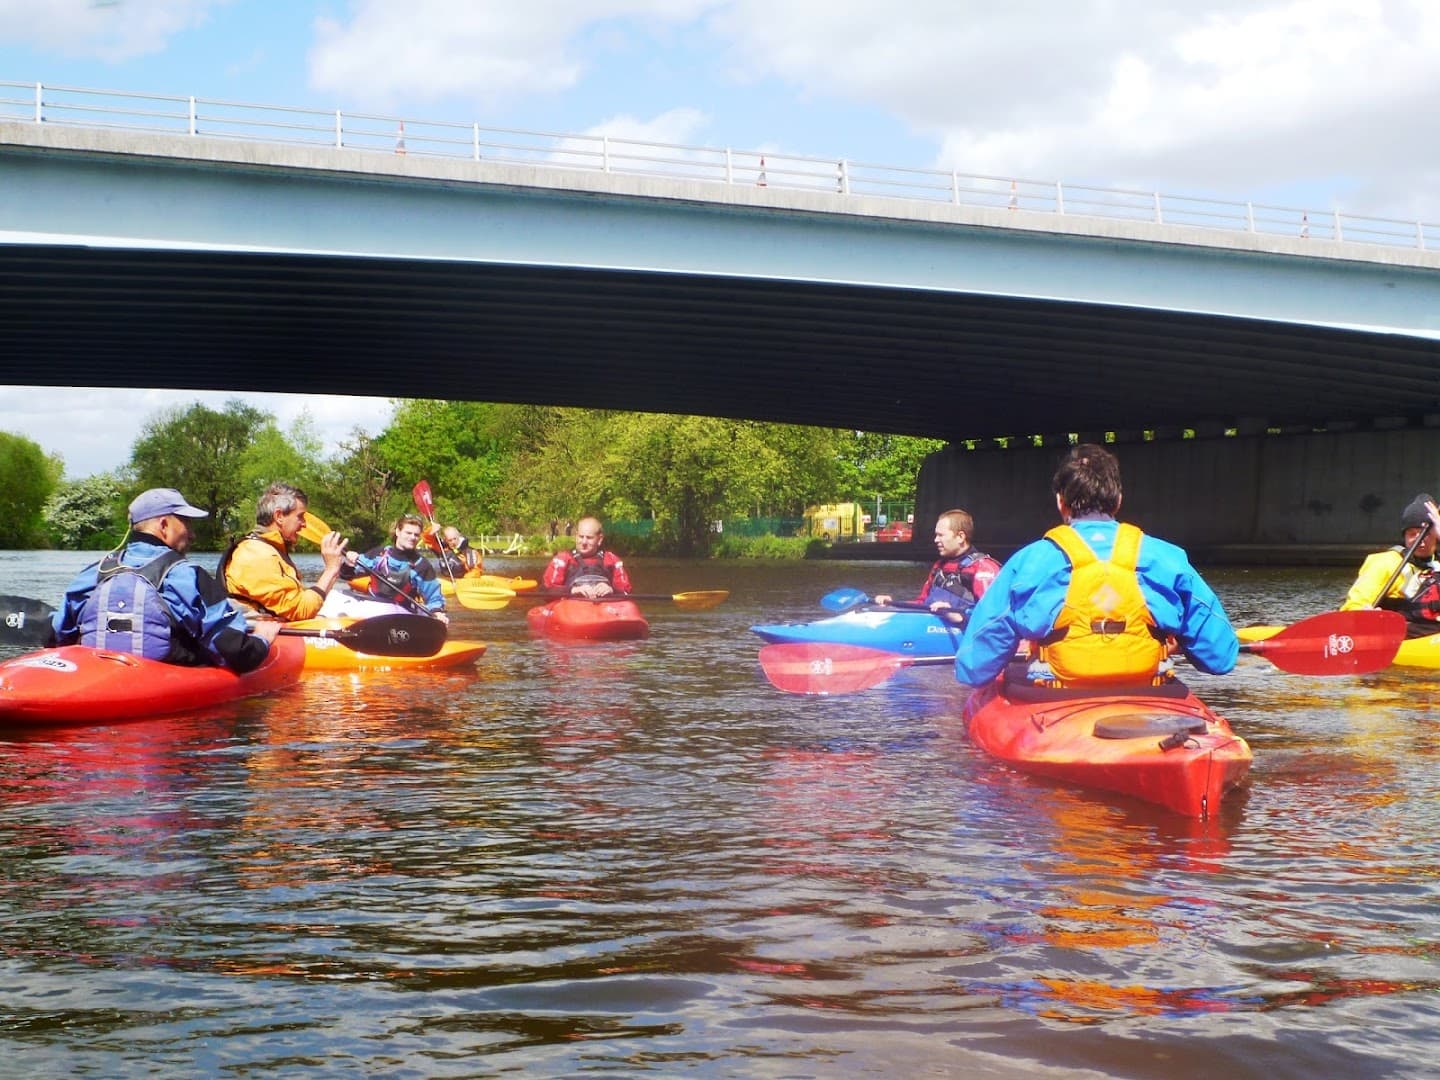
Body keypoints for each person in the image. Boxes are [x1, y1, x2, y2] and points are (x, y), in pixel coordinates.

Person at [954, 443, 1238, 688]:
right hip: (1149, 695)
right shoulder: (1170, 558)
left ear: (1060, 502)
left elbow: (974, 669)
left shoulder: (1027, 562)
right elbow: (1219, 658)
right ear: (1118, 501)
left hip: (1052, 697)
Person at [51, 487, 279, 671]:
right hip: (165, 681)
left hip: (97, 676)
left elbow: (57, 635)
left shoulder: (94, 572)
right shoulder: (190, 576)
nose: (192, 534)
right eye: (186, 523)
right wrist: (261, 640)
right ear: (163, 525)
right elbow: (236, 652)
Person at [222, 482, 350, 621]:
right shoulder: (256, 555)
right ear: (279, 516)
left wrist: (335, 569)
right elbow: (300, 612)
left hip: (279, 623)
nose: (304, 524)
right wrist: (330, 570)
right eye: (300, 516)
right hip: (260, 634)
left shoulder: (270, 549)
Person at [873, 508, 1001, 621]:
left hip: (966, 638)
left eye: (941, 535)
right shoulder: (939, 566)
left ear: (960, 537)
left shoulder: (983, 568)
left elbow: (995, 616)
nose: (936, 540)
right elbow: (922, 602)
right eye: (936, 535)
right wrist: (892, 604)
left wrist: (960, 617)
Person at [1340, 493, 1440, 622]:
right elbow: (1355, 603)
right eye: (1412, 534)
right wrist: (1362, 612)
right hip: (1404, 632)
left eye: (1424, 534)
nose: (1419, 540)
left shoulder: (1437, 564)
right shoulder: (1386, 562)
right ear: (1404, 537)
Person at [342, 514, 449, 622]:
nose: (412, 537)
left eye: (416, 535)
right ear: (398, 531)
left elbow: (433, 597)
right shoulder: (378, 554)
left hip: (401, 613)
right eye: (408, 533)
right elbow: (346, 575)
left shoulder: (421, 565)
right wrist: (349, 562)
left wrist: (437, 612)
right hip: (372, 607)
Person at [543, 516, 632, 598]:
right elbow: (547, 591)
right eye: (581, 537)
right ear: (576, 536)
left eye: (589, 538)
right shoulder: (562, 559)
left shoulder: (612, 560)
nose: (584, 542)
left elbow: (626, 591)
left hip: (604, 609)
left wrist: (612, 590)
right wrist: (572, 590)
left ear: (599, 539)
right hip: (571, 609)